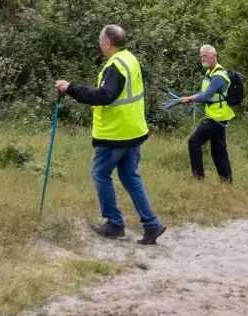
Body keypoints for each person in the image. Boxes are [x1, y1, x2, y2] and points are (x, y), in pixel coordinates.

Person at [55, 25, 167, 245]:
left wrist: (70, 88)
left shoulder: (115, 66)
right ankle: (151, 224)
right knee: (130, 176)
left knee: (99, 173)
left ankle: (114, 224)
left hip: (115, 133)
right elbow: (118, 95)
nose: (99, 43)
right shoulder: (130, 59)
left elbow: (105, 95)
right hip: (133, 130)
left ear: (107, 43)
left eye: (100, 39)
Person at [177, 45, 234, 183]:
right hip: (215, 115)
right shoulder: (210, 72)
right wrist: (190, 97)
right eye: (201, 56)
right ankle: (227, 180)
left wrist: (189, 99)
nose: (202, 58)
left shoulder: (219, 75)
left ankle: (198, 177)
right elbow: (203, 93)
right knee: (218, 149)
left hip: (217, 117)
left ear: (214, 56)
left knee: (194, 141)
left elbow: (206, 95)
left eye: (205, 55)